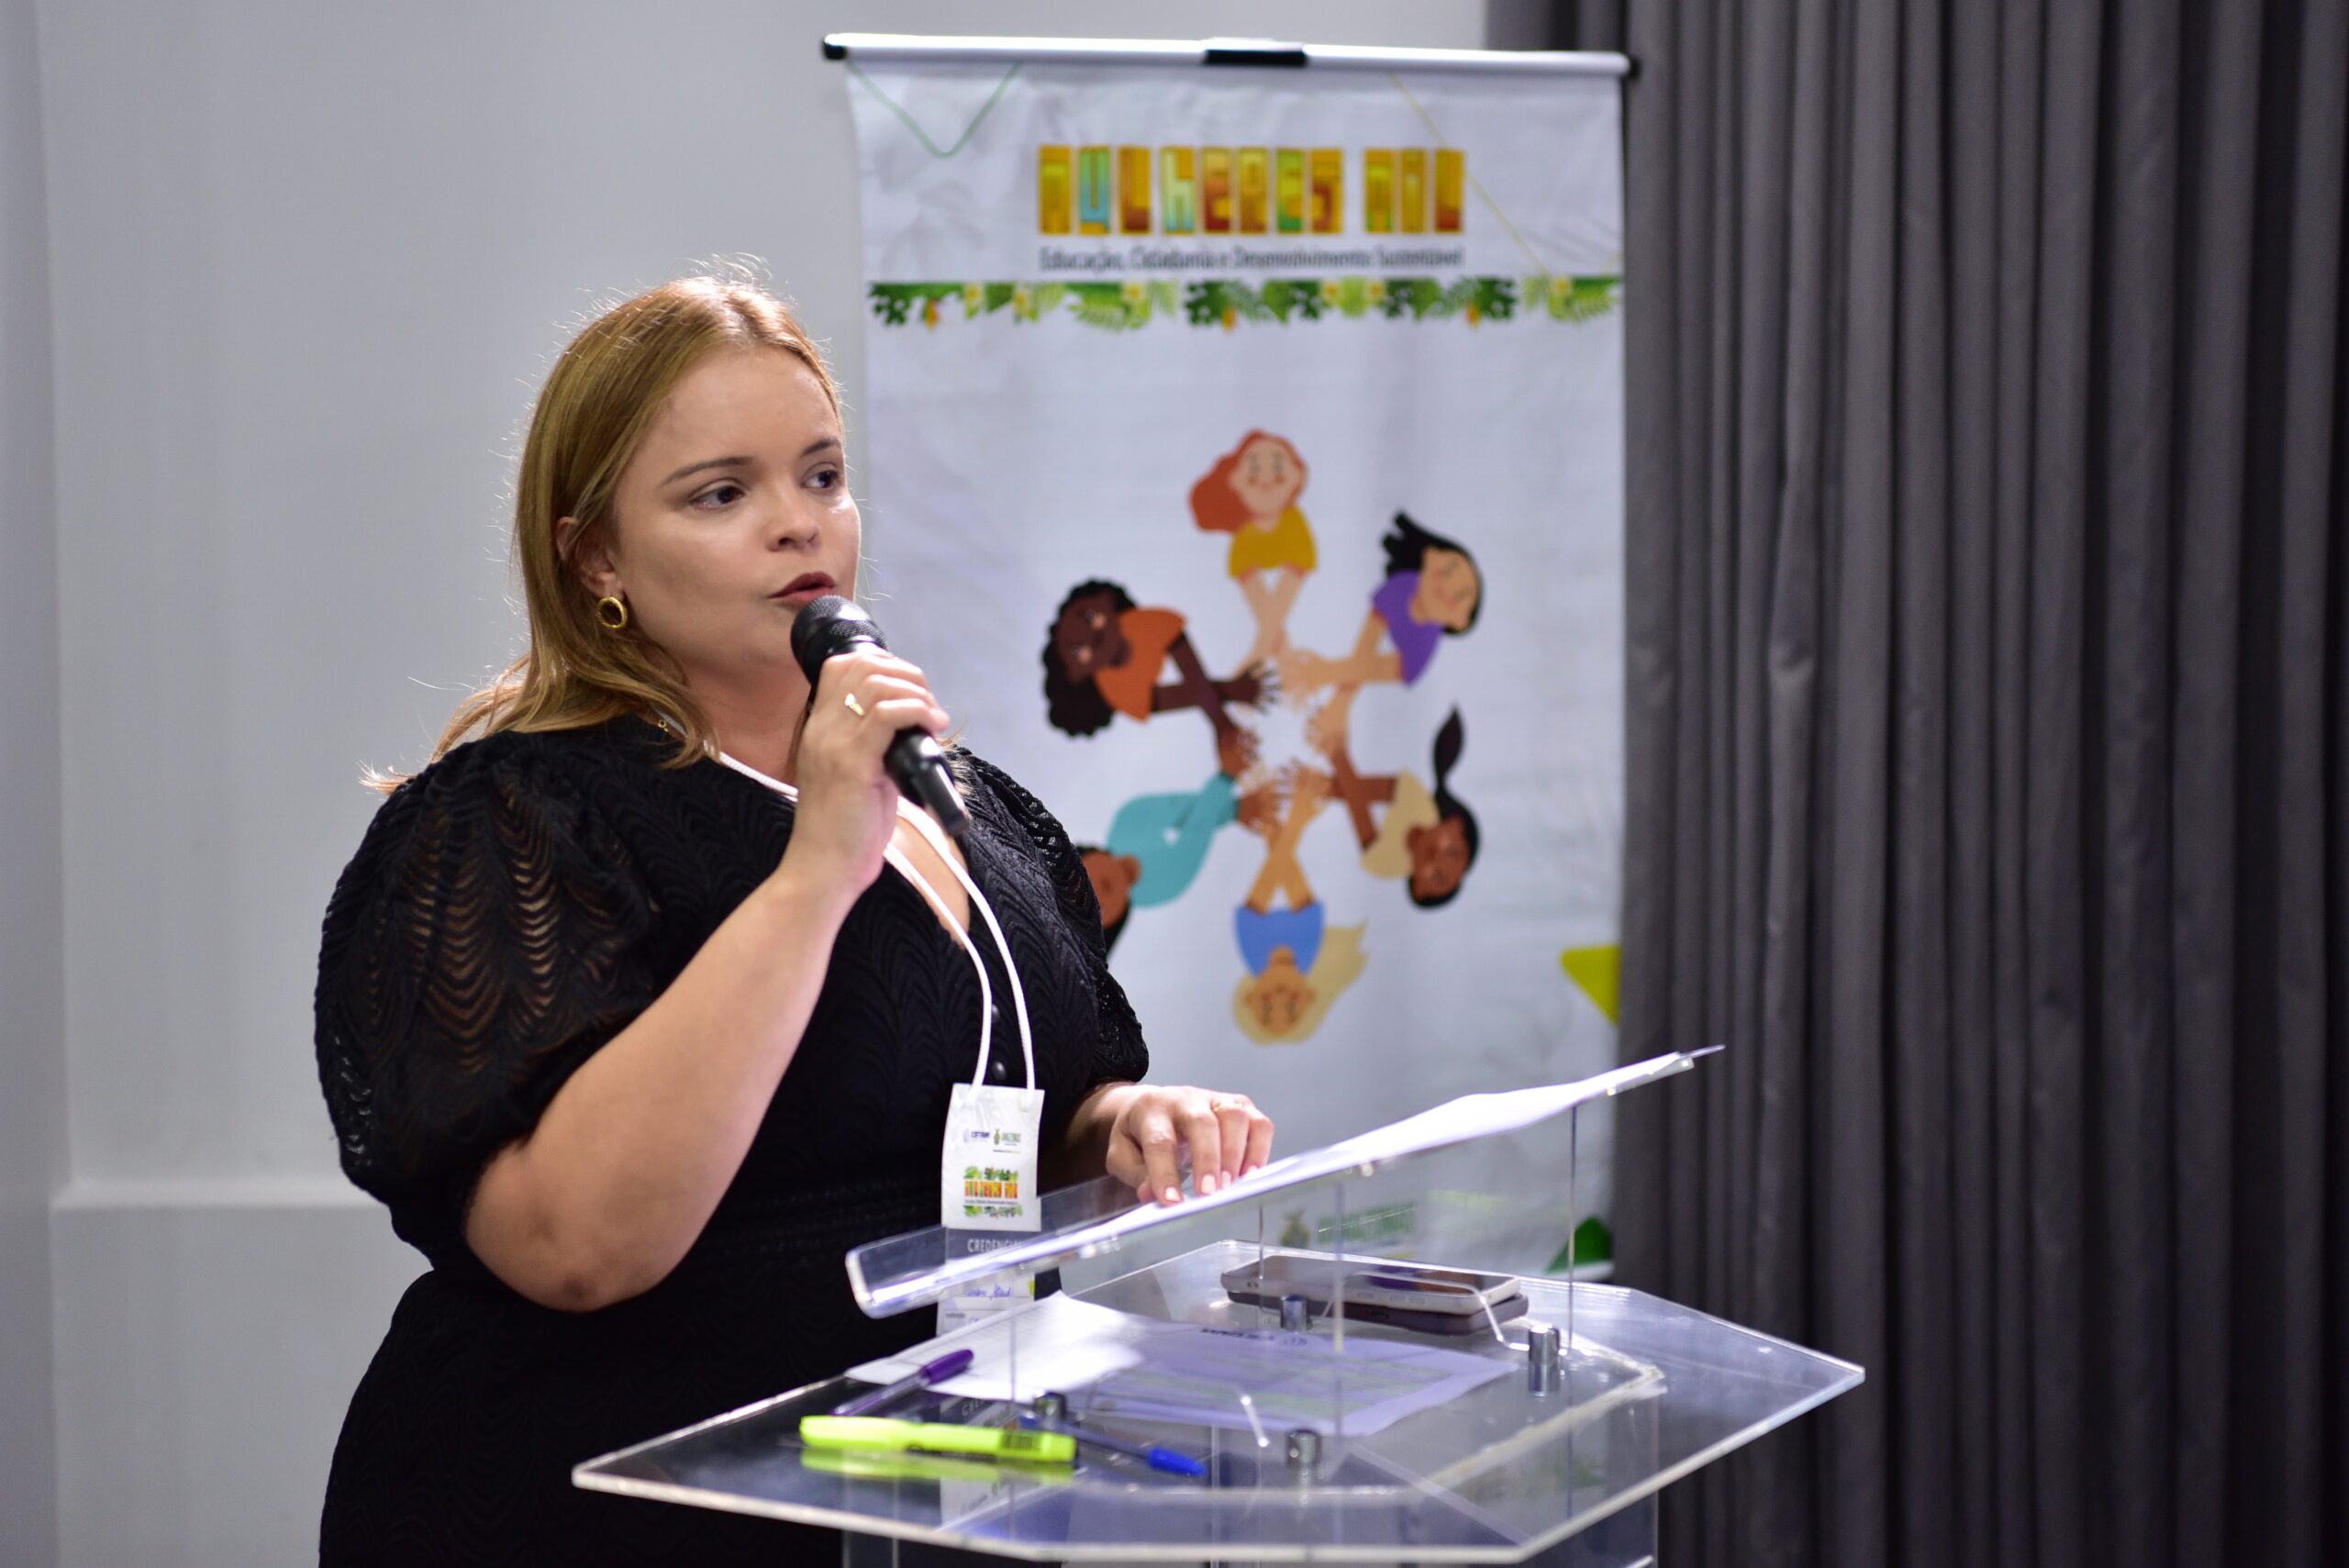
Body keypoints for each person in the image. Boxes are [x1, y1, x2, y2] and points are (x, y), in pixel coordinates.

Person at [311, 275, 1275, 1567]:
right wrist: (815, 870)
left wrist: (1123, 1125)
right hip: (607, 1513)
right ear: (595, 557)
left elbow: (992, 1118)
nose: (797, 523)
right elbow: (574, 1246)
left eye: (822, 475)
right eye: (722, 493)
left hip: (927, 1492)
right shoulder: (514, 819)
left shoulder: (966, 803)